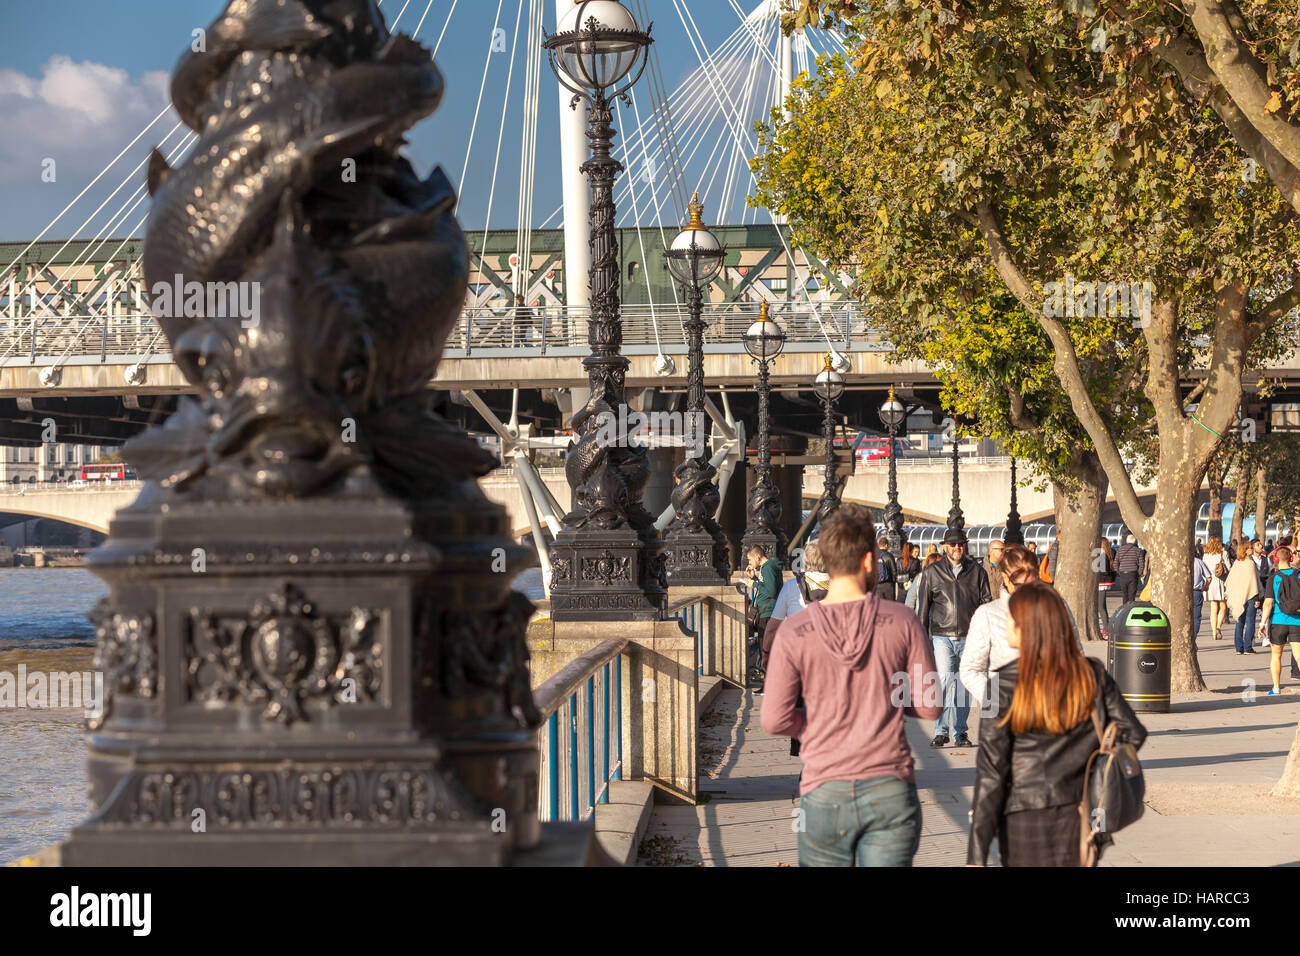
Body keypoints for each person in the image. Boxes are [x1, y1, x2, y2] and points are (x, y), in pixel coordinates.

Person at [761, 504, 942, 867]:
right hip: (890, 785)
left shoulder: (796, 631)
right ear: (868, 562)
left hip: (824, 789)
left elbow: (774, 719)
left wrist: (815, 723)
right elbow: (930, 705)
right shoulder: (902, 620)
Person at [968, 584, 1147, 867]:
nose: (1007, 626)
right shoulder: (1092, 674)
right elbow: (1133, 732)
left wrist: (976, 856)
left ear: (1029, 626)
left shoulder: (1000, 687)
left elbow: (991, 774)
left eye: (1013, 620)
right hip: (1079, 811)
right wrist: (1094, 762)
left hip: (1021, 819)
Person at [915, 527, 992, 748]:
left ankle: (960, 733)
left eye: (960, 544)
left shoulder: (977, 572)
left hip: (969, 636)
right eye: (953, 544)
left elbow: (986, 603)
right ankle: (941, 731)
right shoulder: (932, 572)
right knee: (945, 681)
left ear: (964, 545)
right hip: (942, 635)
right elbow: (924, 608)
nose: (957, 547)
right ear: (945, 547)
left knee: (964, 685)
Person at [960, 544, 1050, 708]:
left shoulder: (1055, 607)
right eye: (1020, 586)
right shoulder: (987, 614)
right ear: (1006, 579)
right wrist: (995, 700)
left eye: (1032, 583)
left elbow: (1075, 658)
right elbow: (970, 670)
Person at [762, 542, 829, 671]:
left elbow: (772, 628)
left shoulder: (791, 586)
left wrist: (766, 653)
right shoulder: (839, 586)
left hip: (799, 658)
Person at [1260, 546, 1300, 695]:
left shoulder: (1273, 578)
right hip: (1297, 621)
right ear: (1291, 558)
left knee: (1276, 655)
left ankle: (1276, 687)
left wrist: (1262, 623)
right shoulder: (1299, 575)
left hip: (1278, 621)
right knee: (1298, 655)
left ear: (1275, 559)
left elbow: (1268, 603)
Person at [744, 544, 782, 690]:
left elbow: (771, 591)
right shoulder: (770, 567)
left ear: (757, 557)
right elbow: (769, 586)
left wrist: (753, 583)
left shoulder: (767, 568)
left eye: (750, 559)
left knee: (764, 648)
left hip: (767, 613)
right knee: (766, 648)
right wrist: (755, 578)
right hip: (769, 611)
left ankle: (768, 686)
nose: (749, 563)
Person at [1226, 540, 1260, 655]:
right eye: (1250, 547)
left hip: (1238, 597)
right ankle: (1247, 647)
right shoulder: (1249, 563)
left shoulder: (1237, 563)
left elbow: (1230, 581)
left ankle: (1239, 647)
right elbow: (1254, 582)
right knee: (1250, 621)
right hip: (1251, 597)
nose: (1251, 549)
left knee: (1240, 621)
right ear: (1245, 549)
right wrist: (1256, 598)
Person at [1204, 537, 1228, 640]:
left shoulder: (1205, 555)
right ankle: (1218, 627)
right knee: (1223, 606)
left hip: (1210, 581)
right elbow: (1229, 567)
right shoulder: (1223, 553)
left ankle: (1214, 632)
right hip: (1220, 581)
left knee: (1213, 608)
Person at [1113, 534, 1142, 604]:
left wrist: (1119, 573)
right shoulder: (1138, 550)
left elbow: (1115, 563)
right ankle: (1130, 609)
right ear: (1134, 542)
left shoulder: (1120, 550)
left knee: (1124, 595)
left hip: (1123, 574)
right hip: (1133, 574)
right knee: (1132, 596)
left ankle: (1124, 609)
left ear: (1126, 541)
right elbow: (1141, 564)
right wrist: (1138, 574)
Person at [1192, 549, 1211, 639]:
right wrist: (1206, 586)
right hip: (1196, 591)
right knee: (1196, 616)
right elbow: (1209, 577)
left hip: (1183, 593)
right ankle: (1193, 637)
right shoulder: (1199, 562)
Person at [875, 538, 900, 602]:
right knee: (890, 606)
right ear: (886, 545)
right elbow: (894, 571)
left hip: (877, 585)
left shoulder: (875, 555)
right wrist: (894, 583)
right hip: (888, 584)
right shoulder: (889, 556)